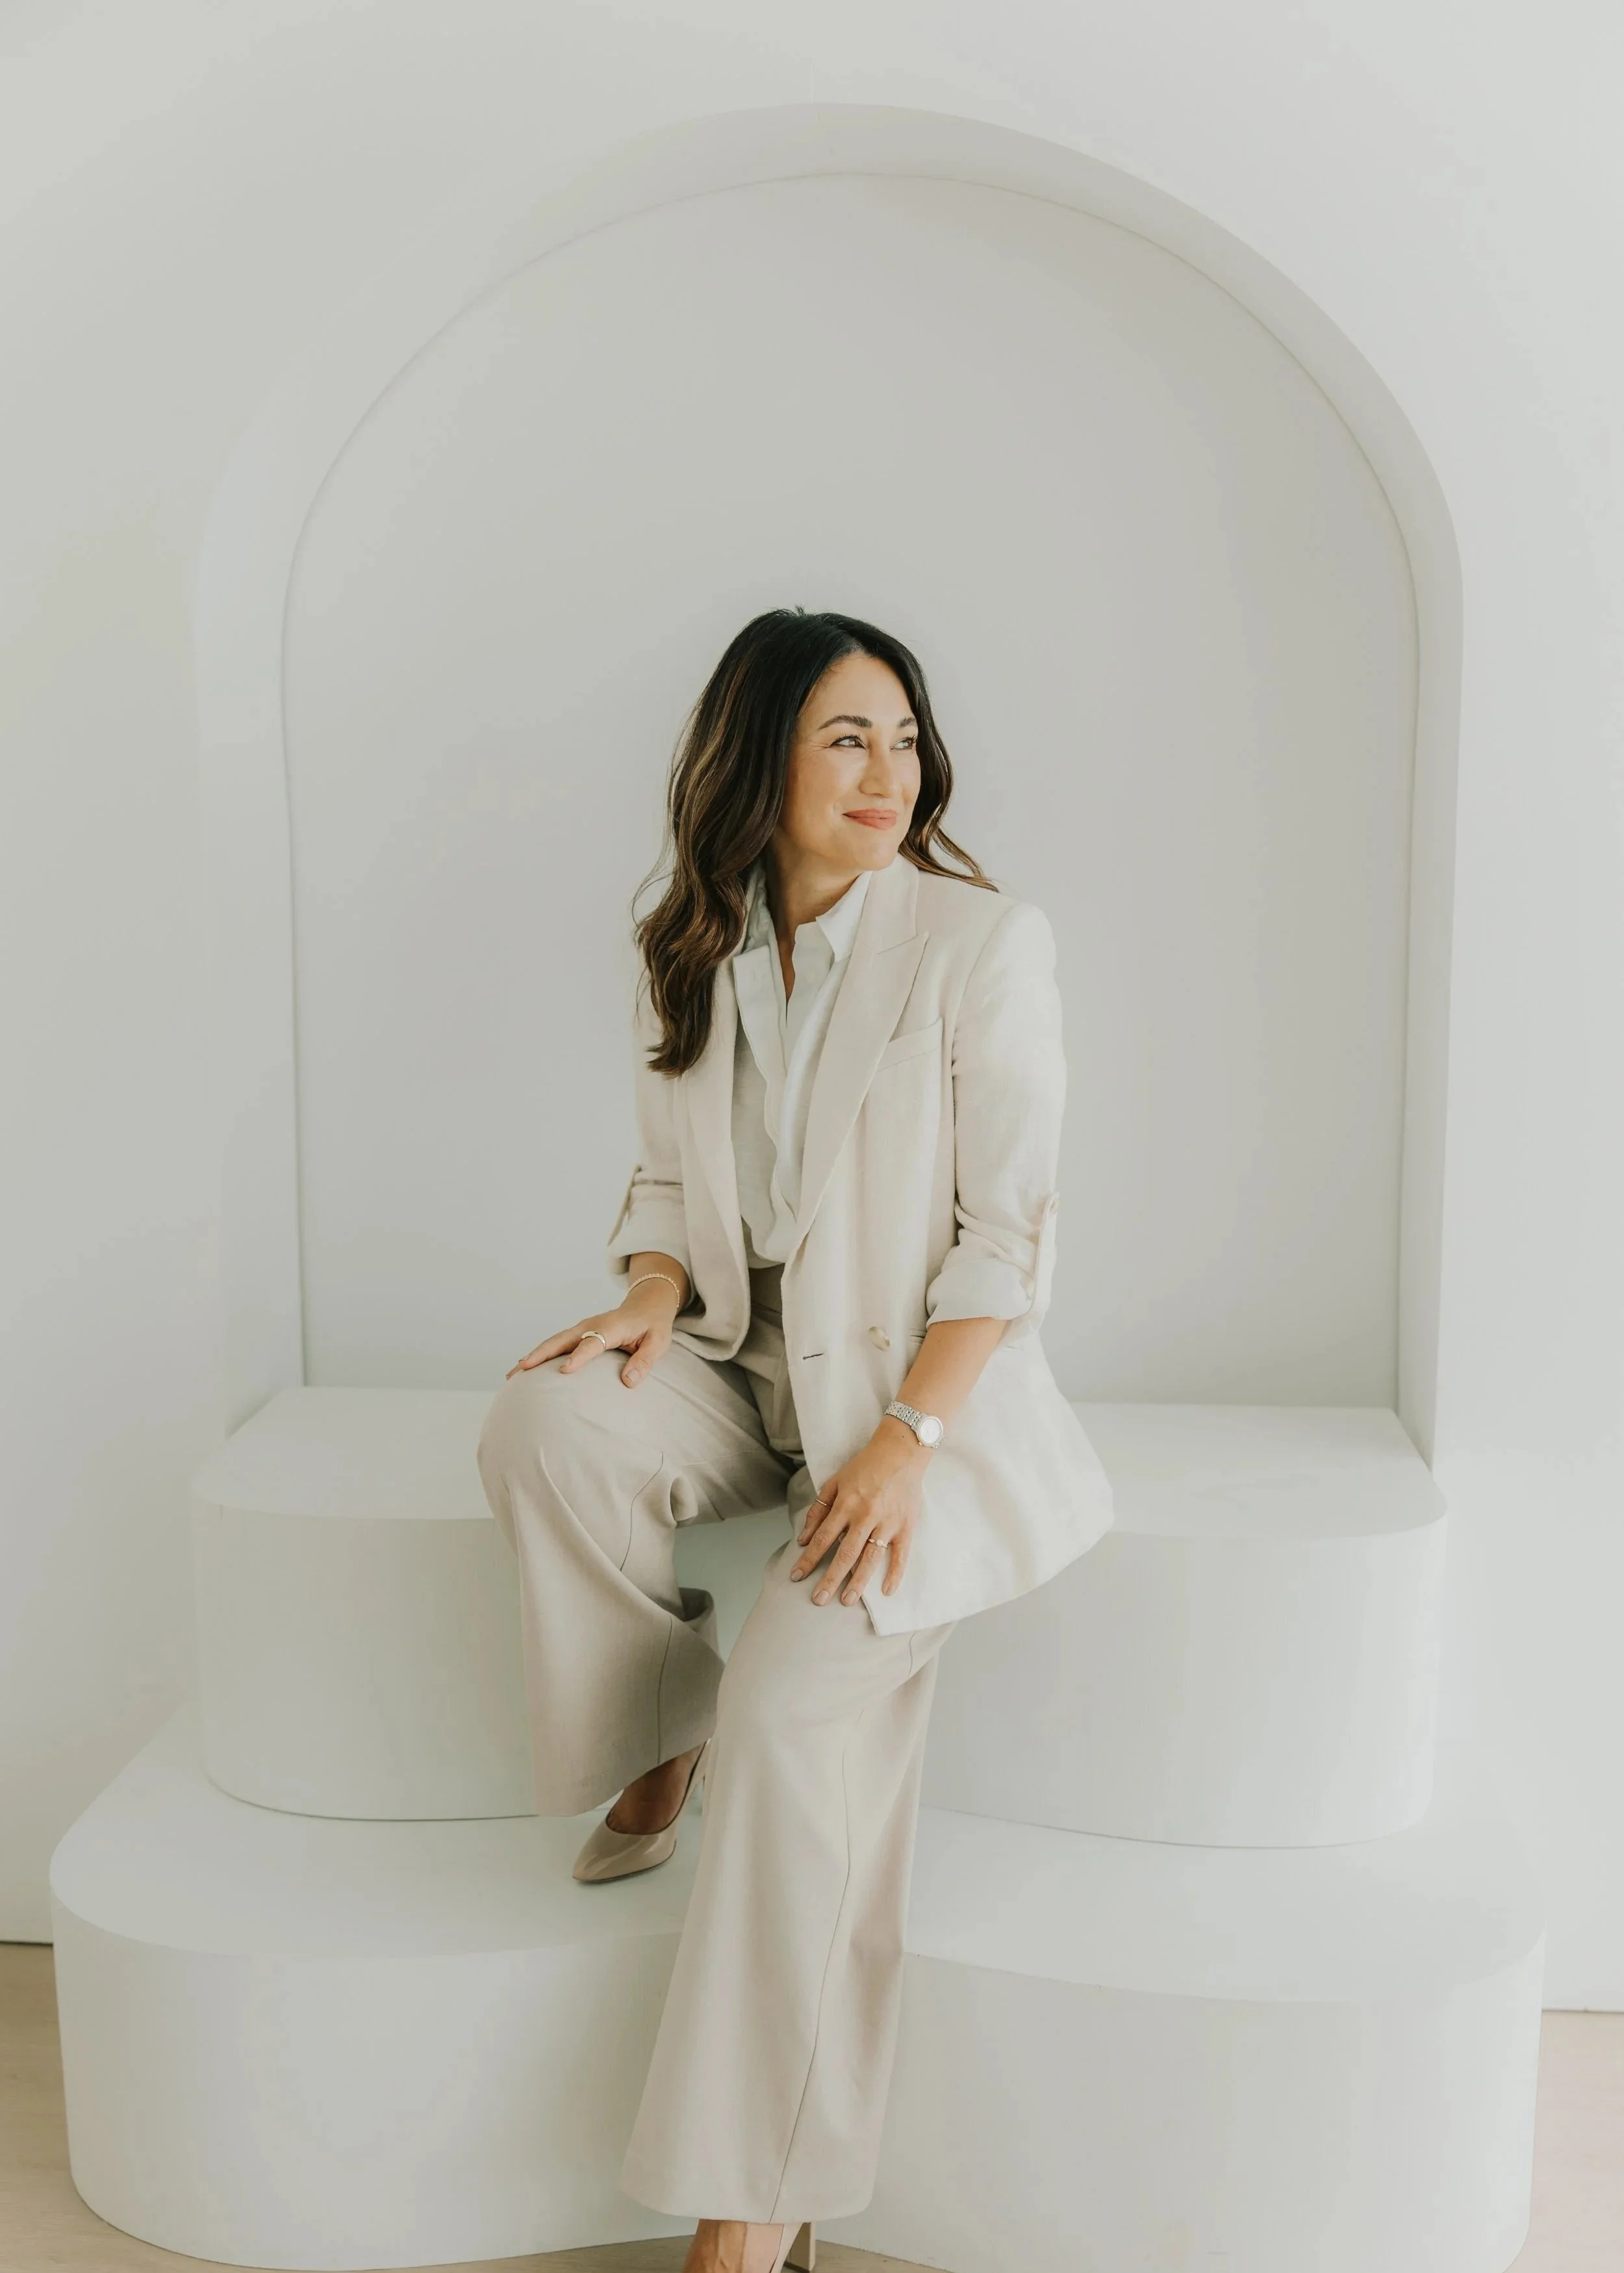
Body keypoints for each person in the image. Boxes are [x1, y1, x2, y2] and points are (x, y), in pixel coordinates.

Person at [476, 607, 1112, 2273]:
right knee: (545, 1423)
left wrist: (903, 1442)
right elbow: (668, 1186)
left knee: (798, 1722)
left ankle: (748, 2223)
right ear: (758, 758)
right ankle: (649, 1732)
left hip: (920, 1417)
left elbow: (1009, 1236)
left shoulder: (979, 948)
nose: (883, 772)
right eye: (845, 737)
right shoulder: (688, 945)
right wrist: (647, 1287)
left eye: (901, 740)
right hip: (740, 1368)